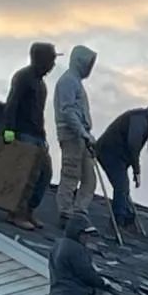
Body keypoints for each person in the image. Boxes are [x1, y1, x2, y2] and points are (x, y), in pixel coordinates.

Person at [0, 42, 59, 229]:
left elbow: (38, 113)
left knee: (44, 174)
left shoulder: (41, 84)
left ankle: (29, 211)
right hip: (23, 134)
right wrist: (9, 132)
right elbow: (12, 105)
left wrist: (43, 136)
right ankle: (16, 213)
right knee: (25, 176)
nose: (53, 65)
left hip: (37, 136)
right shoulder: (23, 77)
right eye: (51, 60)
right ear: (41, 59)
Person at [96, 102, 148, 232]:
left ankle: (127, 217)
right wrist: (136, 169)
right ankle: (118, 220)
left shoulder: (141, 120)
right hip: (110, 152)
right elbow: (133, 145)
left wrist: (132, 166)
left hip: (116, 155)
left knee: (123, 186)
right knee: (121, 186)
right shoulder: (139, 120)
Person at [55, 45, 98, 221]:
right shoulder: (68, 81)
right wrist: (81, 132)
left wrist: (86, 134)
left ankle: (80, 210)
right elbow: (68, 111)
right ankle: (66, 211)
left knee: (89, 178)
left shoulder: (76, 82)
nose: (89, 68)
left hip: (82, 135)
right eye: (88, 63)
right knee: (71, 174)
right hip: (72, 134)